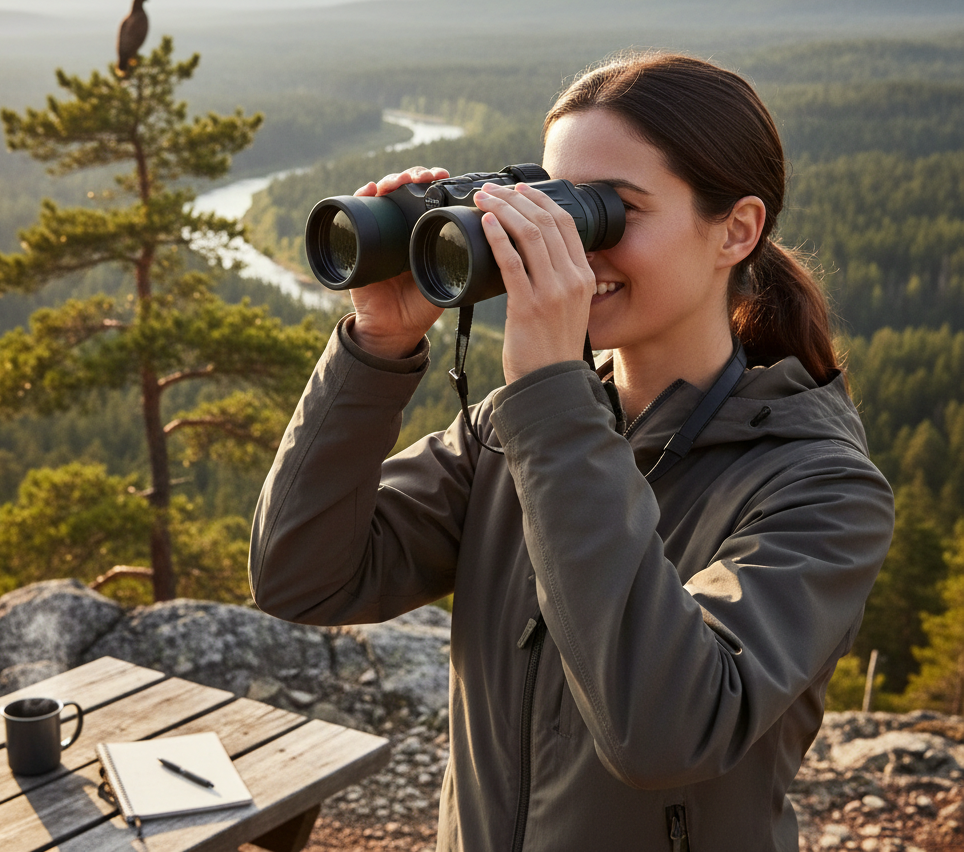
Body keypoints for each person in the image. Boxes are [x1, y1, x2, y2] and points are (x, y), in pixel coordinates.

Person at [249, 52, 894, 851]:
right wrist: (377, 344)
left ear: (736, 229)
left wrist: (551, 393)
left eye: (609, 213)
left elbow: (663, 730)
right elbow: (299, 576)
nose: (569, 246)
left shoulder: (820, 487)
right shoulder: (513, 431)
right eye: (552, 204)